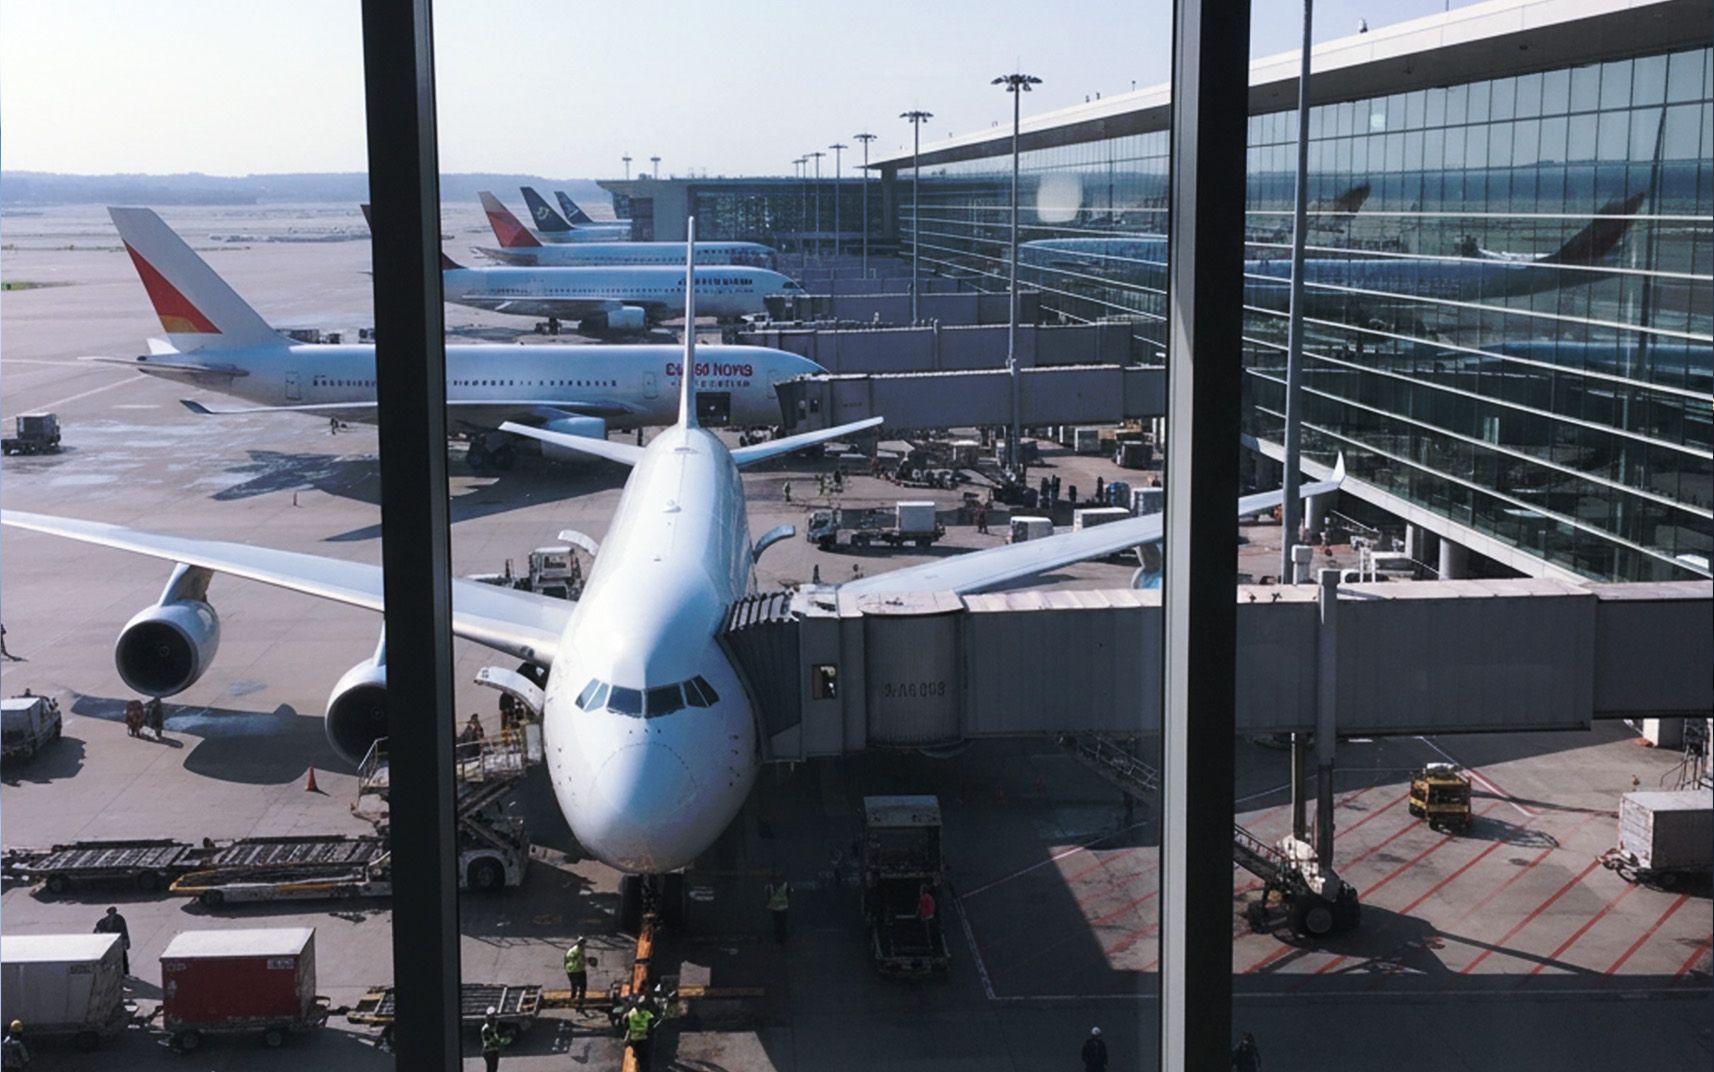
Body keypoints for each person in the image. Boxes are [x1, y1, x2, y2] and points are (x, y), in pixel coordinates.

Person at [94, 907, 130, 975]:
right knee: (112, 961)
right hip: (109, 944)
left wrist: (126, 941)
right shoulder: (103, 921)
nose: (113, 914)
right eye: (111, 912)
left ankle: (125, 973)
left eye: (114, 912)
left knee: (123, 959)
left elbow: (124, 930)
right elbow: (96, 931)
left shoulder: (120, 919)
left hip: (118, 943)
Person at [623, 1000, 655, 1068]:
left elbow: (626, 1025)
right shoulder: (647, 1014)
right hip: (645, 1039)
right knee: (646, 1058)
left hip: (635, 1039)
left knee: (638, 1057)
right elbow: (651, 1026)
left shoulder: (630, 1014)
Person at [764, 872, 791, 943]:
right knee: (782, 923)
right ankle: (782, 937)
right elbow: (788, 894)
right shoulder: (785, 884)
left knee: (777, 923)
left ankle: (779, 937)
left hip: (775, 907)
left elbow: (768, 895)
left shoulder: (770, 885)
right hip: (782, 907)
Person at [480, 1007, 508, 1071]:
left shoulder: (493, 1027)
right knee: (491, 1068)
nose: (495, 1020)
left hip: (494, 1050)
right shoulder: (486, 1028)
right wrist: (501, 1041)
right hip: (489, 1051)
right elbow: (491, 1039)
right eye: (493, 1019)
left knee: (493, 1068)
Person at [563, 937, 589, 1008]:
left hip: (570, 970)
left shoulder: (573, 949)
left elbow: (567, 958)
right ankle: (580, 1002)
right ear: (582, 944)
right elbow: (581, 961)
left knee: (574, 985)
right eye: (584, 943)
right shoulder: (579, 951)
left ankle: (573, 998)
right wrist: (587, 961)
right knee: (583, 986)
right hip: (578, 970)